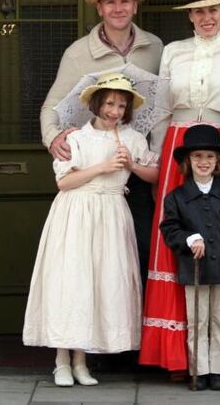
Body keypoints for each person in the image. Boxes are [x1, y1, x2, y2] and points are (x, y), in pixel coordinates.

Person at [139, 0, 220, 373]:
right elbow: (159, 111)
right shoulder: (174, 51)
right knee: (177, 237)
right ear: (189, 16)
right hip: (178, 147)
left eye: (213, 10)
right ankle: (177, 355)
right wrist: (157, 162)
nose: (206, 18)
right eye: (198, 11)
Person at [23, 72, 160, 387]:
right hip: (76, 213)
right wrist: (102, 166)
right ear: (97, 103)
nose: (115, 111)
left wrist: (132, 166)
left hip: (112, 215)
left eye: (122, 106)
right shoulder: (76, 138)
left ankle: (82, 362)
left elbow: (155, 173)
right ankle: (61, 361)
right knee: (72, 282)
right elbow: (64, 182)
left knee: (100, 285)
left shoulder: (133, 139)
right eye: (110, 103)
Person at [40, 0, 163, 288]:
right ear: (99, 9)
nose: (118, 8)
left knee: (143, 246)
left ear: (135, 6)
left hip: (136, 160)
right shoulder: (78, 53)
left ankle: (141, 329)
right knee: (96, 255)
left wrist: (156, 159)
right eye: (110, 2)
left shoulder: (156, 48)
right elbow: (52, 105)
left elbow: (164, 104)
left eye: (125, 1)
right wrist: (53, 136)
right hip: (94, 166)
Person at [158, 125, 220, 391]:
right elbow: (170, 229)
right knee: (197, 321)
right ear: (188, 161)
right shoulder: (176, 198)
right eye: (197, 156)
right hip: (194, 269)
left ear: (218, 161)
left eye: (209, 157)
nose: (203, 162)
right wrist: (190, 238)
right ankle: (199, 371)